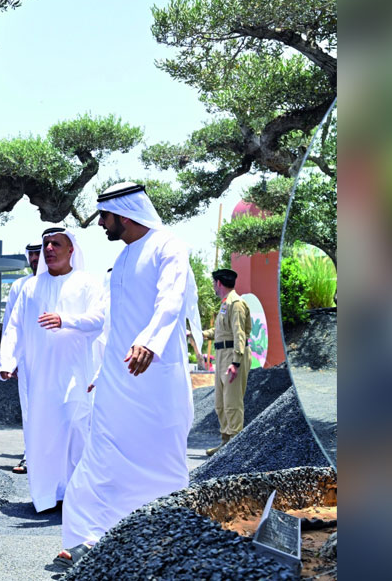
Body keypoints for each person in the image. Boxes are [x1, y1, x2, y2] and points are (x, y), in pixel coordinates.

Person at [54, 182, 203, 573]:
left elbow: (170, 301)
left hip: (156, 380)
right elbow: (116, 325)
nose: (101, 225)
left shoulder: (168, 245)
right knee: (100, 455)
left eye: (104, 217)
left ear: (123, 214)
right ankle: (87, 537)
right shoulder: (120, 261)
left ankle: (168, 537)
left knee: (163, 461)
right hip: (118, 380)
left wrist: (150, 342)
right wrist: (103, 371)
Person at [0, 227, 104, 511]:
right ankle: (49, 495)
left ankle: (77, 493)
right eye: (46, 244)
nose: (50, 249)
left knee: (75, 425)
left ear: (72, 250)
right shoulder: (31, 287)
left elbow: (99, 319)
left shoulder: (87, 284)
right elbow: (15, 327)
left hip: (73, 373)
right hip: (38, 376)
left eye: (57, 243)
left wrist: (65, 320)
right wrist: (8, 361)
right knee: (42, 433)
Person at [0, 242, 42, 475]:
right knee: (30, 408)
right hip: (27, 360)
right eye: (32, 255)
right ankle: (30, 455)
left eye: (39, 254)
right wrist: (9, 359)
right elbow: (10, 325)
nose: (35, 258)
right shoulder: (20, 285)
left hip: (61, 359)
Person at [200, 268, 252, 456]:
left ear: (219, 283)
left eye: (214, 283)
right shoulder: (225, 304)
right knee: (220, 404)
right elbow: (221, 331)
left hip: (233, 355)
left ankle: (236, 448)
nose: (213, 286)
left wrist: (236, 362)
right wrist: (200, 334)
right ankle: (226, 443)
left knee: (232, 403)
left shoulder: (236, 303)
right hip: (222, 355)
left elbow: (239, 334)